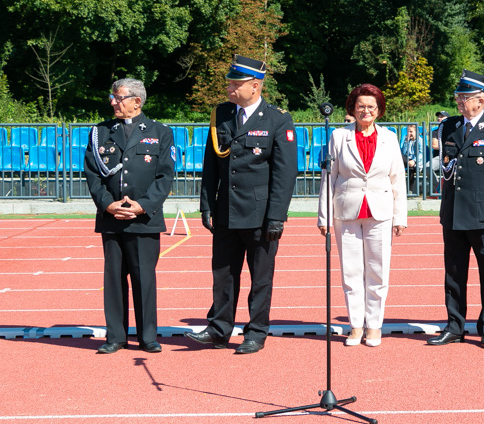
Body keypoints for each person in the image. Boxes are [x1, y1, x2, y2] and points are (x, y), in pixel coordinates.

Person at [186, 55, 298, 354]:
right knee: (223, 274)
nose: (230, 89)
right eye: (230, 83)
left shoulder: (277, 119)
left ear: (255, 86)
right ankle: (219, 329)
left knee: (260, 277)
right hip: (226, 211)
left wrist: (277, 216)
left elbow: (285, 173)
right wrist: (207, 205)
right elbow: (211, 166)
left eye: (236, 84)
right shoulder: (221, 114)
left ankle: (256, 331)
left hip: (261, 214)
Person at [427, 70, 484, 349]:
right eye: (458, 96)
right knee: (454, 273)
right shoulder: (448, 127)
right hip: (453, 212)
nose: (458, 101)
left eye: (464, 97)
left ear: (481, 100)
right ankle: (455, 325)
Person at [83, 78, 175, 354]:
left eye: (118, 97)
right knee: (113, 279)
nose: (113, 102)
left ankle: (148, 336)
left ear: (136, 101)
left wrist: (143, 205)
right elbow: (92, 174)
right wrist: (108, 205)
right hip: (111, 217)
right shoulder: (100, 132)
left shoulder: (160, 132)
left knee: (144, 278)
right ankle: (116, 336)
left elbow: (165, 176)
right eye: (112, 97)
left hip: (144, 218)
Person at [318, 84, 408, 346]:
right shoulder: (338, 137)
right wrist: (323, 216)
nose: (365, 110)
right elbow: (329, 177)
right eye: (361, 106)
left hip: (380, 212)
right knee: (351, 271)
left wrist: (400, 216)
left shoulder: (389, 138)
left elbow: (397, 179)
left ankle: (374, 326)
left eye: (371, 106)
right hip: (346, 210)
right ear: (352, 109)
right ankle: (355, 325)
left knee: (378, 271)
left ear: (378, 110)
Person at [401, 123, 425, 193]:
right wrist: (406, 142)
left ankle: (409, 191)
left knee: (410, 168)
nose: (409, 133)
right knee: (400, 157)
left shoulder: (420, 140)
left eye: (411, 131)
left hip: (417, 161)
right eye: (408, 131)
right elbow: (404, 152)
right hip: (407, 160)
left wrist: (414, 161)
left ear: (416, 132)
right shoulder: (407, 141)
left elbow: (421, 153)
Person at [430, 110, 449, 186]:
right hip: (439, 157)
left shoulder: (452, 130)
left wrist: (442, 145)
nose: (439, 118)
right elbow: (434, 145)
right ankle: (437, 186)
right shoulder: (435, 131)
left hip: (450, 156)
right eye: (438, 117)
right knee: (427, 168)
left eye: (441, 117)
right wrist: (448, 145)